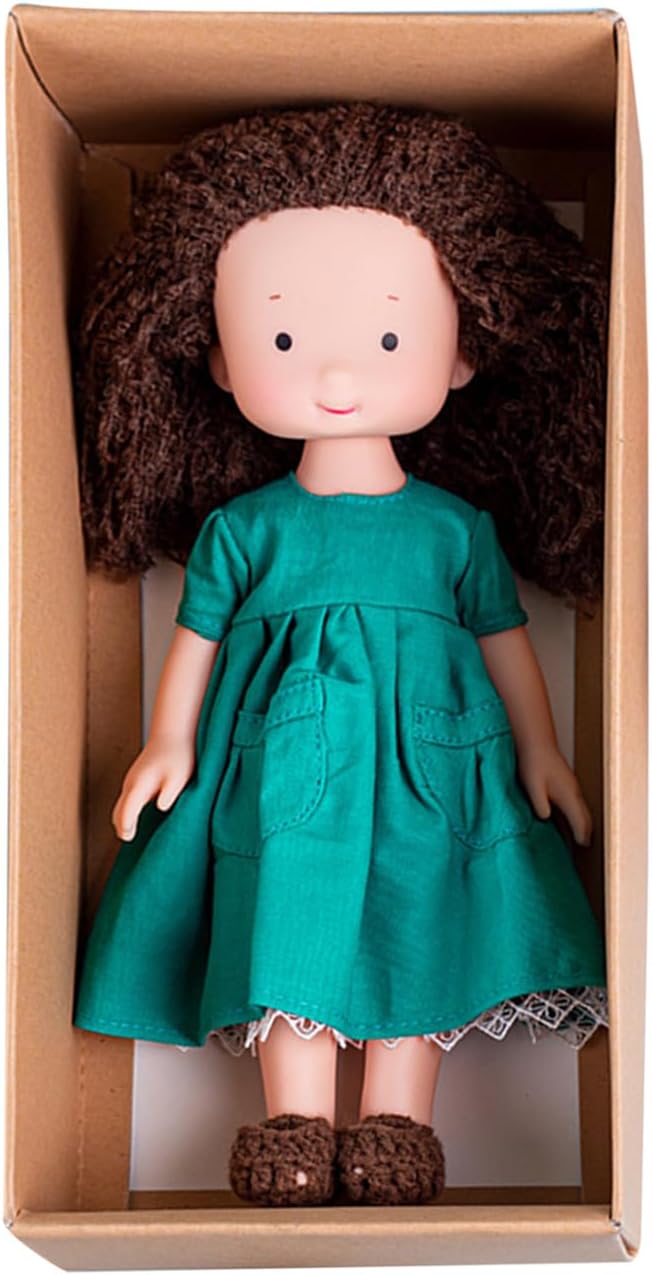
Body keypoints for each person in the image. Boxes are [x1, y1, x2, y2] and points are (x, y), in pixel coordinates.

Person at [73, 101, 608, 1208]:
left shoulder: (453, 530)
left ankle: (398, 1124)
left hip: (436, 769)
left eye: (389, 339)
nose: (333, 372)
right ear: (220, 365)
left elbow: (506, 638)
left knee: (426, 909)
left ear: (463, 355)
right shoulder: (245, 529)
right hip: (279, 769)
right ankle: (295, 1122)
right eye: (279, 342)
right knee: (290, 911)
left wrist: (542, 753)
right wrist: (168, 742)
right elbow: (196, 637)